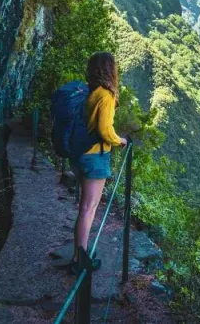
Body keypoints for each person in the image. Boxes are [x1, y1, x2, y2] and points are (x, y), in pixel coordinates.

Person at [71, 52, 127, 271]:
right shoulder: (106, 95)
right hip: (95, 155)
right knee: (88, 208)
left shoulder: (88, 91)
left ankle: (79, 253)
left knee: (84, 207)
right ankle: (80, 260)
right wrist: (118, 140)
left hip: (80, 153)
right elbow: (105, 130)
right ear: (110, 69)